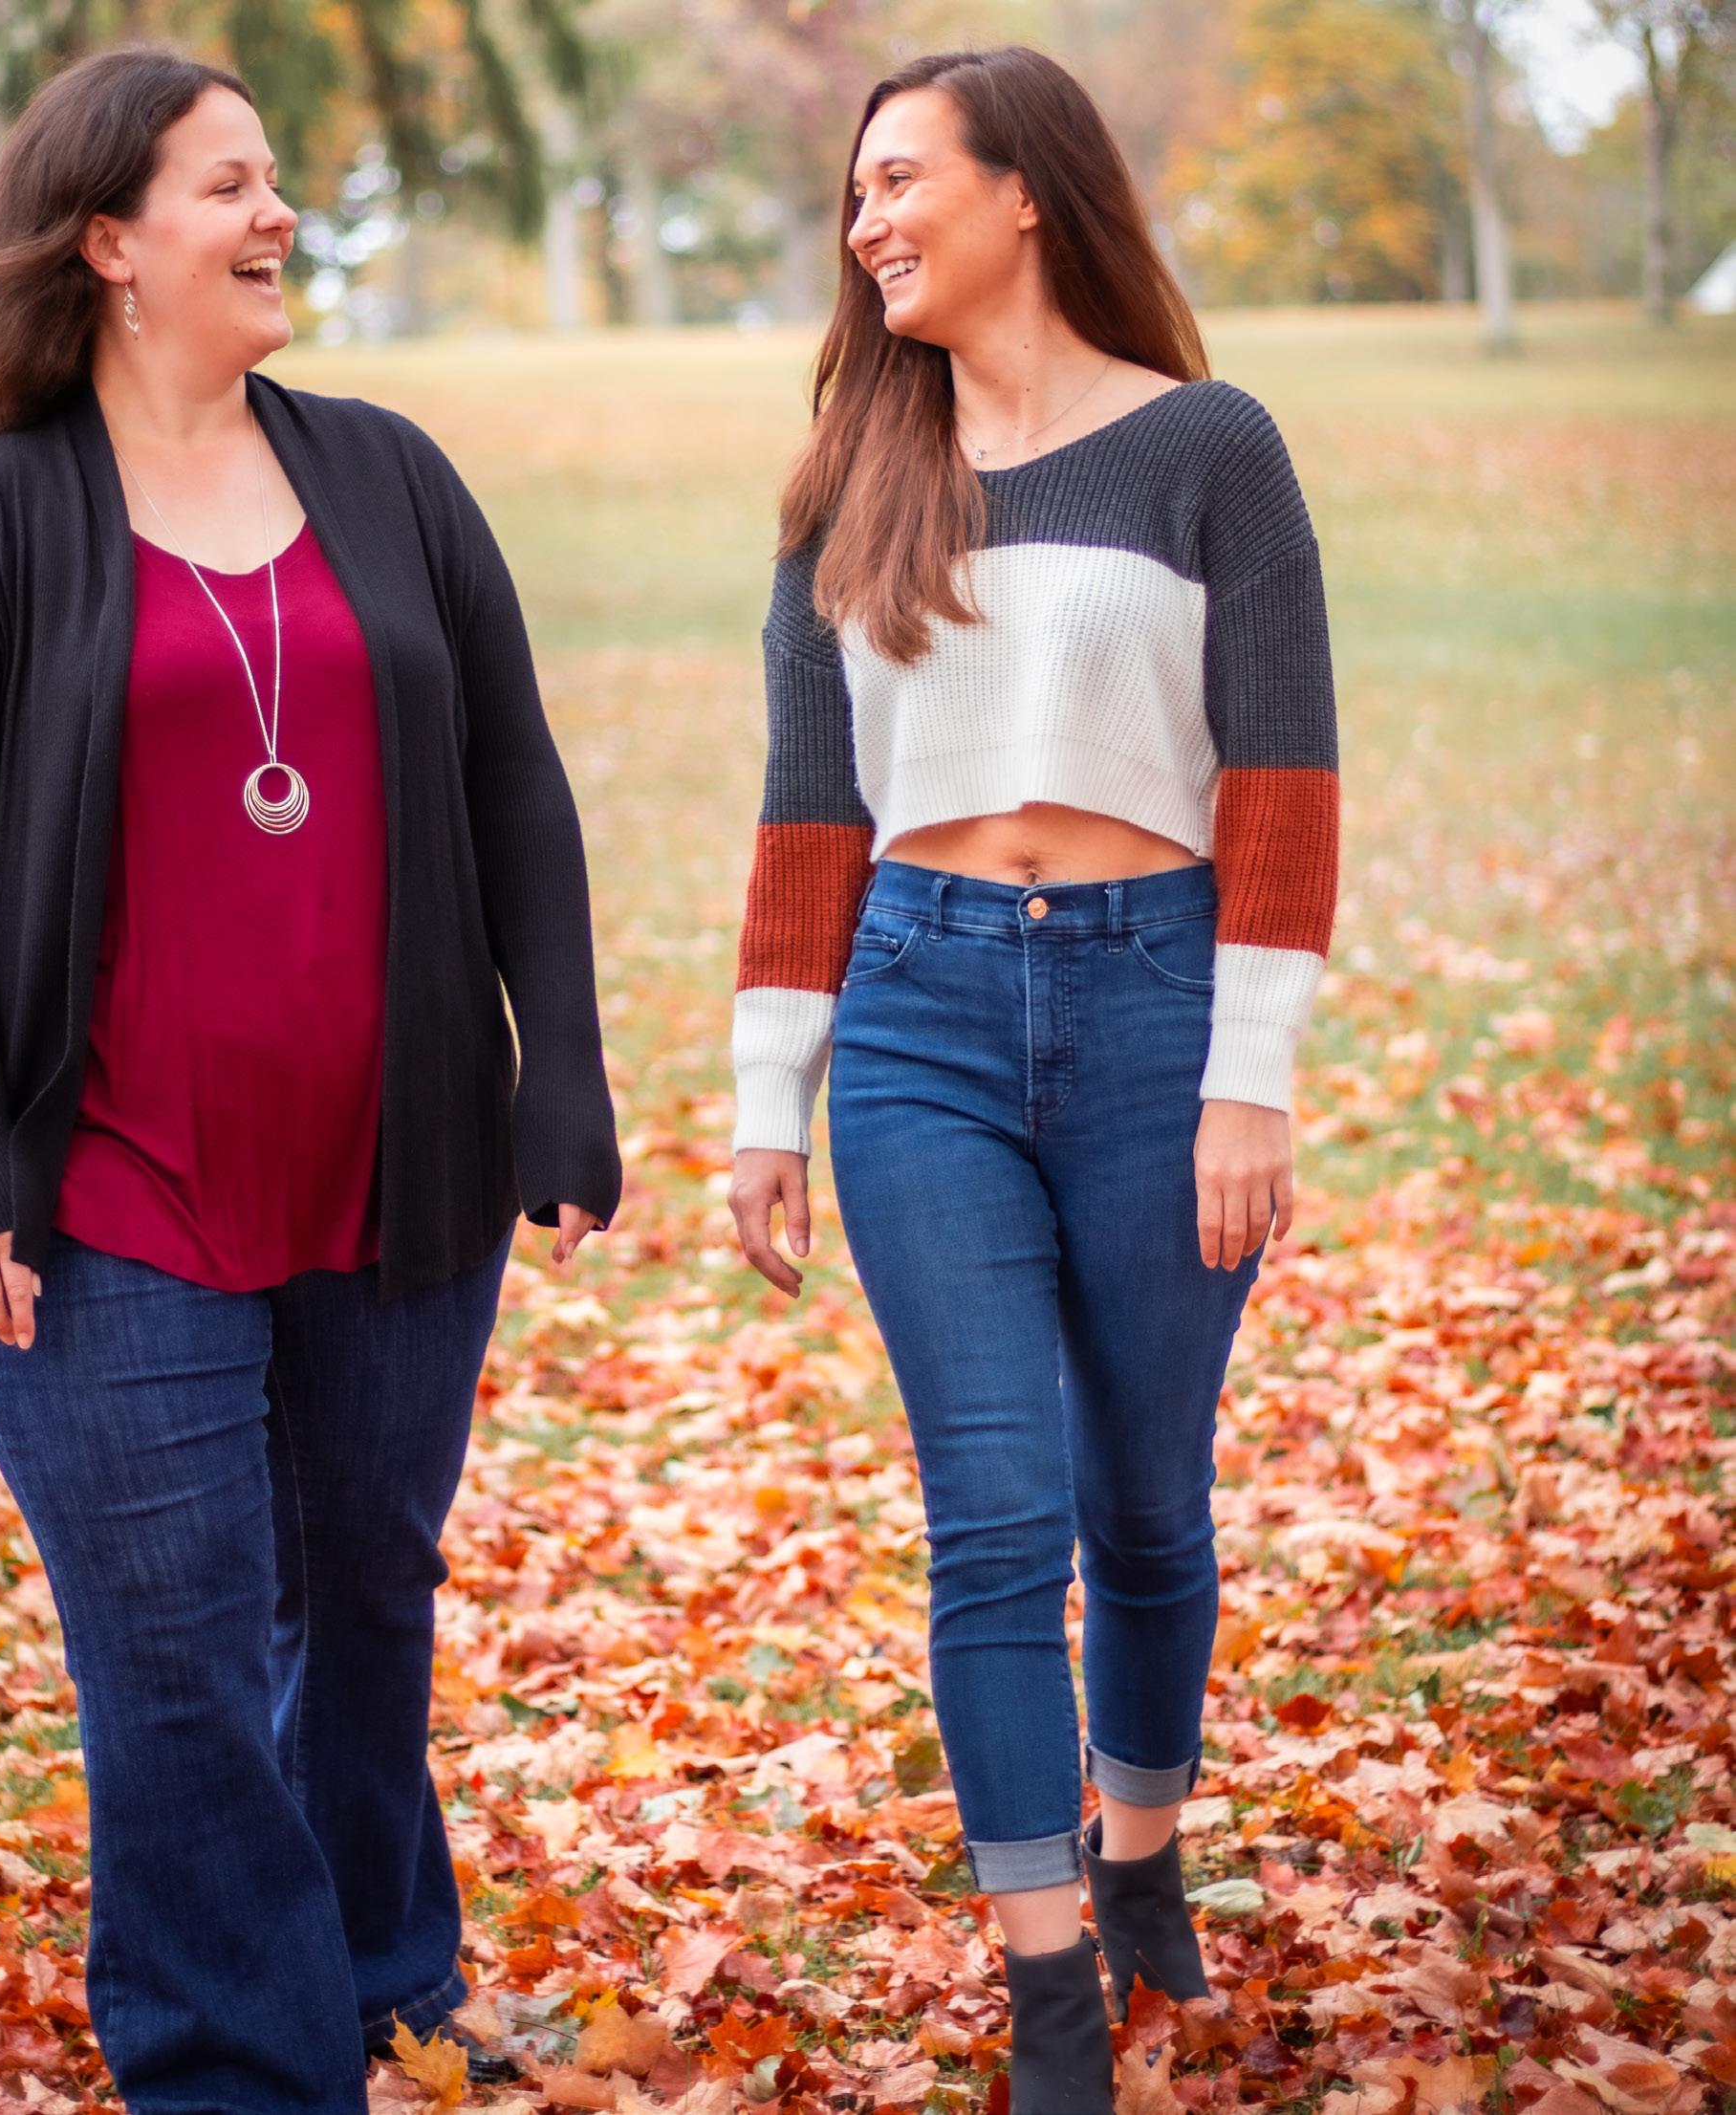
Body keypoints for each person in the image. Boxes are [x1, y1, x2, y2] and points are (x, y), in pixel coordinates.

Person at [0, 48, 621, 2114]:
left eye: (274, 182)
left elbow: (515, 782)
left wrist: (560, 1070)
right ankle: (239, 2068)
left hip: (395, 1163)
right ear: (110, 241)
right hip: (107, 1186)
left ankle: (387, 1978)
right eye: (231, 185)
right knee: (180, 1649)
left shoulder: (387, 476)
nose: (278, 217)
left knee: (367, 1595)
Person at [725, 47, 1337, 2110]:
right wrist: (769, 1095)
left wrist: (1249, 1075)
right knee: (996, 1520)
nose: (868, 220)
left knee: (1145, 1503)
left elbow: (1284, 783)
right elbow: (808, 814)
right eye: (855, 191)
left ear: (1026, 195)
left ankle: (1141, 1853)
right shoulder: (849, 481)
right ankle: (1050, 1987)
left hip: (1157, 1006)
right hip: (919, 1013)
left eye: (902, 178)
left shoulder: (1207, 448)